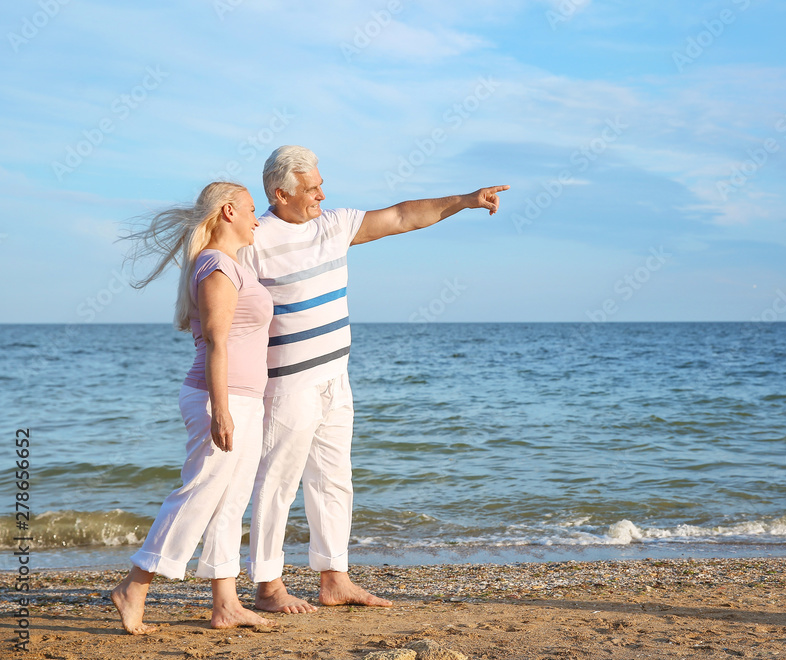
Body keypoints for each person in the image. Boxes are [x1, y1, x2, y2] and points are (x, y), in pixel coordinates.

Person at [241, 145, 508, 613]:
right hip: (287, 384)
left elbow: (403, 216)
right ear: (281, 194)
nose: (322, 194)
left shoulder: (333, 225)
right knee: (276, 483)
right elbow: (229, 306)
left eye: (321, 184)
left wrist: (466, 200)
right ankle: (267, 587)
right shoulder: (254, 241)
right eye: (312, 188)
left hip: (335, 377)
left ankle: (334, 579)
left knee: (334, 478)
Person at [110, 182, 276, 634]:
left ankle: (226, 604)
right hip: (220, 397)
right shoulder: (216, 265)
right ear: (229, 212)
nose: (257, 219)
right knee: (200, 493)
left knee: (230, 501)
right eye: (251, 210)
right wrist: (221, 410)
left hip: (244, 397)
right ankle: (134, 587)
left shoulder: (230, 263)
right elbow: (218, 341)